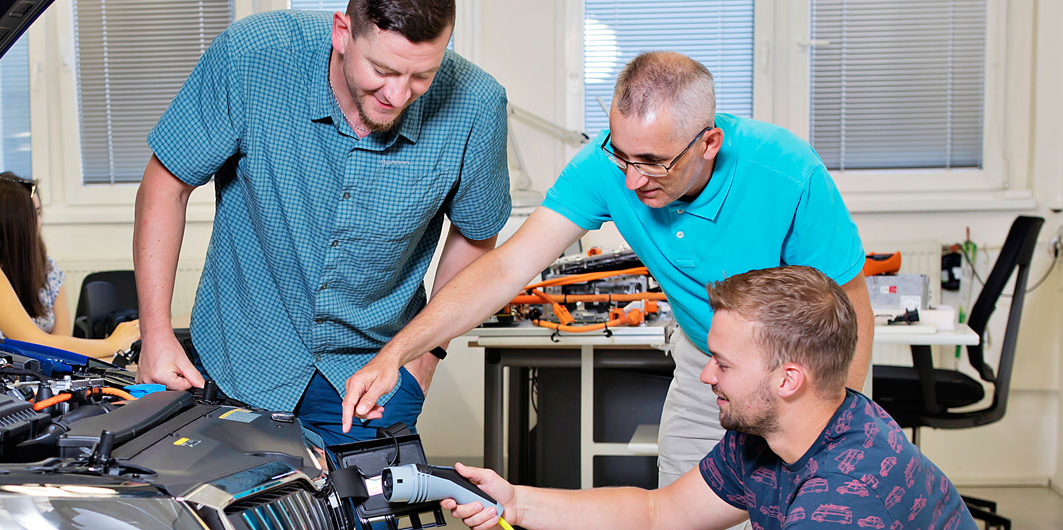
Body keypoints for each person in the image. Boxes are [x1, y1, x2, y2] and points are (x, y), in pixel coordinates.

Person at [340, 52, 875, 484]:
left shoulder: (786, 171)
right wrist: (398, 352)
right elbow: (506, 269)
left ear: (709, 143)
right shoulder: (606, 167)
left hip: (802, 371)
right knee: (683, 508)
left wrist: (837, 428)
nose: (632, 183)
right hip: (706, 357)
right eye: (622, 157)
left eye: (652, 163)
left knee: (811, 500)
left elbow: (852, 308)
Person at [133, 0, 511, 446]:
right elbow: (166, 187)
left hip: (373, 381)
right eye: (382, 70)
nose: (397, 94)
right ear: (342, 33)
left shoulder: (478, 105)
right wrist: (154, 335)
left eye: (421, 76)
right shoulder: (253, 56)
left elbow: (476, 236)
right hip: (238, 361)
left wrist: (425, 355)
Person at [439, 266, 974, 530]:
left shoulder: (846, 497)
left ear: (788, 380)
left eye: (723, 363)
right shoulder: (772, 433)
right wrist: (516, 501)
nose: (705, 376)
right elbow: (658, 511)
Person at [0, 172, 141, 358]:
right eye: (34, 214)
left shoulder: (46, 269)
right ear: (17, 223)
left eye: (39, 212)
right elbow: (33, 343)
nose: (39, 222)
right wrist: (113, 344)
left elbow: (59, 345)